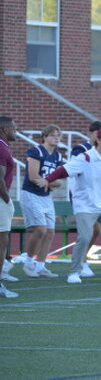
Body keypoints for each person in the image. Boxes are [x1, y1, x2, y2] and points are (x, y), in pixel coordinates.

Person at [39, 127, 101, 284]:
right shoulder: (85, 157)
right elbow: (63, 170)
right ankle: (74, 272)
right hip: (85, 205)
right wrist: (47, 180)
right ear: (98, 140)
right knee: (84, 237)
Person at [20, 125, 64, 279]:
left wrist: (47, 182)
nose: (56, 138)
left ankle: (41, 266)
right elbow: (33, 177)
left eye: (58, 135)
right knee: (40, 230)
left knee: (50, 232)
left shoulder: (57, 156)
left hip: (46, 196)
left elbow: (60, 181)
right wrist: (50, 182)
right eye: (53, 135)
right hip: (31, 194)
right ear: (44, 137)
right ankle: (28, 262)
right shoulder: (36, 151)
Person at [70, 121, 101, 279]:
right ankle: (81, 263)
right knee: (87, 230)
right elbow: (73, 171)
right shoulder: (80, 149)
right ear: (91, 133)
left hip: (96, 196)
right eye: (97, 134)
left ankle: (82, 258)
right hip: (82, 195)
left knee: (97, 228)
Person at [0, 116, 19, 298]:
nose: (16, 131)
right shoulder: (1, 148)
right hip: (0, 199)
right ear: (5, 129)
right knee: (1, 242)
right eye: (13, 127)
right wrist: (6, 198)